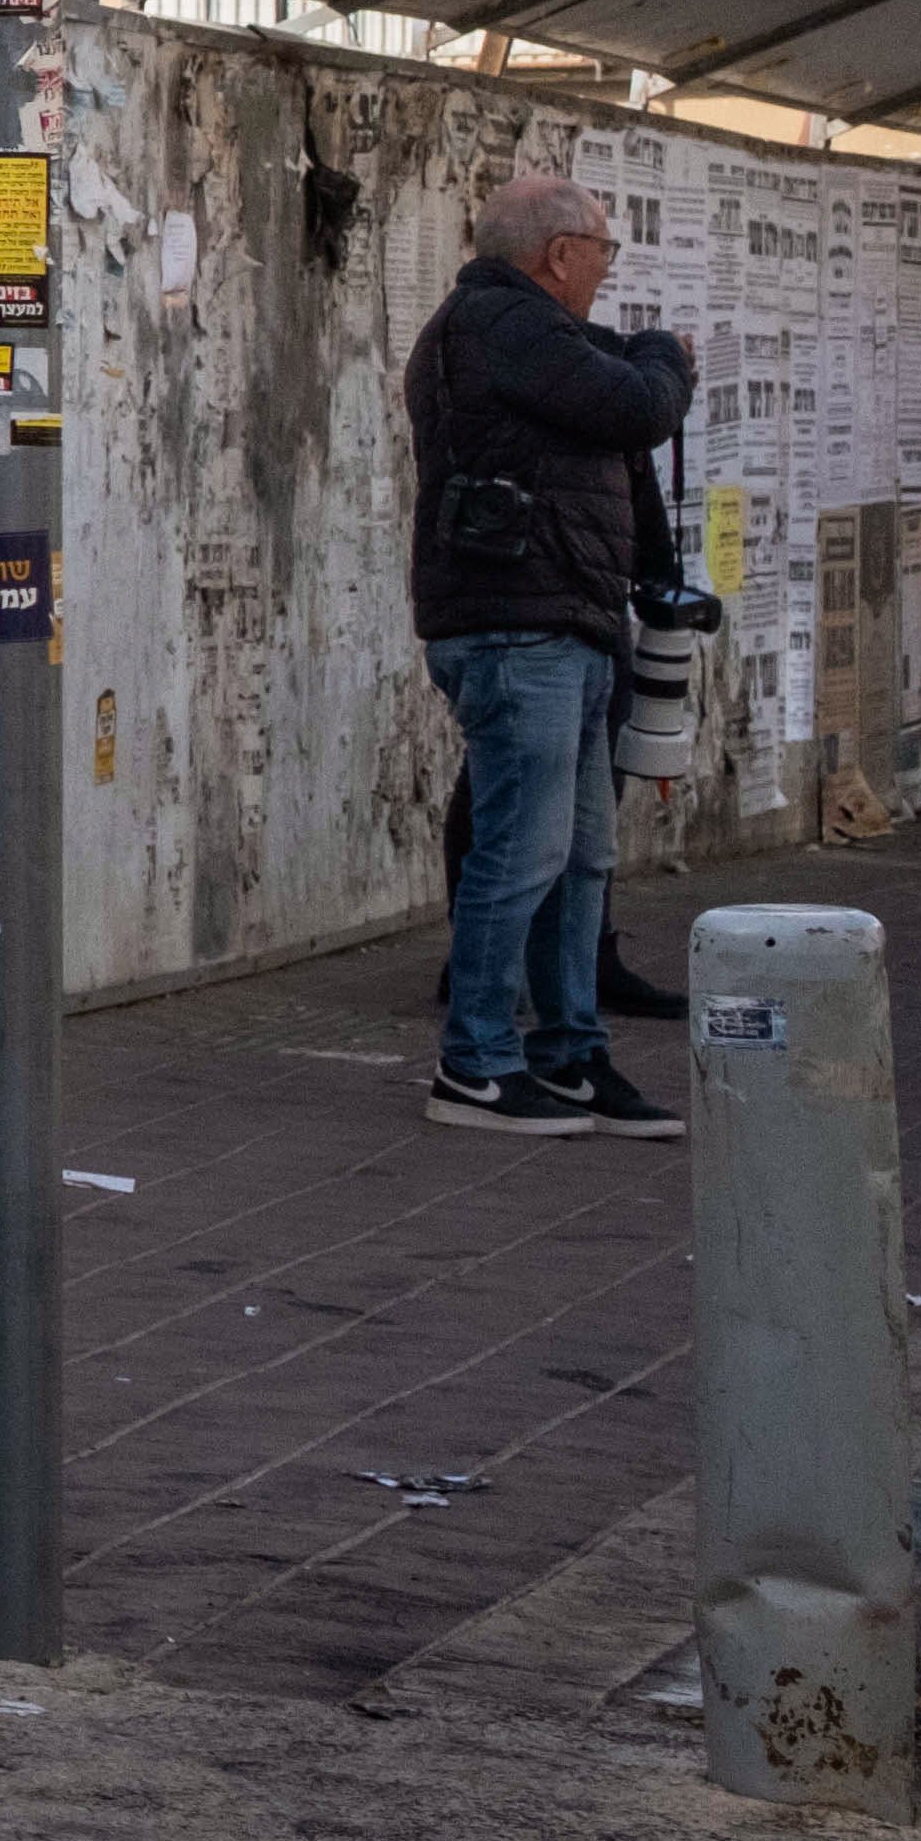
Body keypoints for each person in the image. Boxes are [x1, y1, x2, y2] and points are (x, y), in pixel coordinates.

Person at [405, 169, 696, 1141]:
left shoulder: (528, 332)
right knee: (520, 852)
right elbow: (639, 403)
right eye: (603, 252)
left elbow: (620, 397)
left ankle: (569, 1052)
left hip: (563, 621)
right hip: (516, 626)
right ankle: (476, 1062)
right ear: (557, 253)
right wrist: (668, 357)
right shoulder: (503, 326)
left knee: (580, 856)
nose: (607, 271)